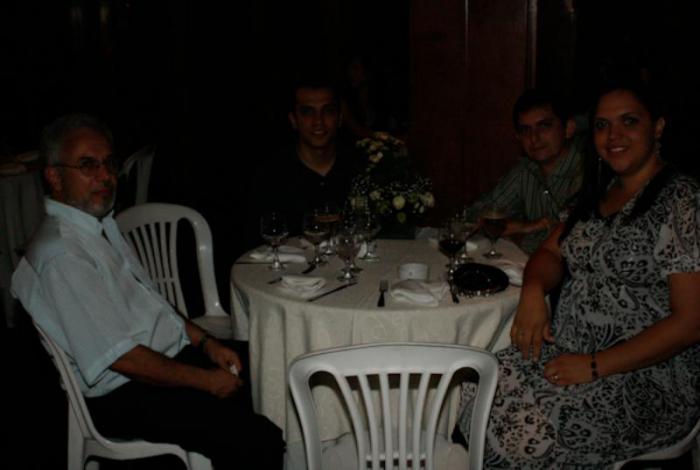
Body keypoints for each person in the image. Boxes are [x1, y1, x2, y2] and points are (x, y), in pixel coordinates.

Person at [11, 113, 284, 469]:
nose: (105, 176)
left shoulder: (98, 226)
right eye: (88, 165)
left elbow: (155, 305)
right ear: (54, 176)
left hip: (159, 360)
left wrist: (207, 343)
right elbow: (121, 358)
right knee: (256, 440)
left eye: (109, 163)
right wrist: (206, 381)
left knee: (273, 363)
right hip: (122, 392)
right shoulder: (63, 254)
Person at [456, 82, 700, 467]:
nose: (613, 135)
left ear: (657, 127)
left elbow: (691, 323)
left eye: (629, 121)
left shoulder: (681, 200)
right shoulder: (597, 194)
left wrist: (594, 365)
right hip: (567, 351)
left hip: (644, 377)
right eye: (602, 125)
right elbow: (550, 252)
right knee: (471, 383)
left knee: (521, 433)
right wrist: (533, 290)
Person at [463, 88, 585, 253]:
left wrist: (519, 235)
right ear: (518, 137)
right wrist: (525, 226)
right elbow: (475, 215)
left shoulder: (587, 172)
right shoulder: (526, 170)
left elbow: (572, 242)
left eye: (544, 126)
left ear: (568, 128)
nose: (534, 138)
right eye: (525, 130)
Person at [243, 77, 362, 247]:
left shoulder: (361, 167)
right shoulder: (271, 176)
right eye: (307, 112)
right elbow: (257, 245)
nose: (318, 121)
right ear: (294, 120)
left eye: (327, 111)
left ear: (340, 118)